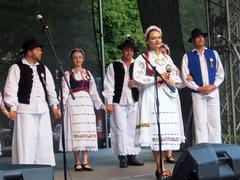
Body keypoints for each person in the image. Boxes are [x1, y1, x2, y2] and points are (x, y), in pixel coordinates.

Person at [133, 25, 185, 179]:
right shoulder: (142, 58)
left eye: (159, 37)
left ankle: (165, 165)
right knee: (156, 132)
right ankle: (160, 167)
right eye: (153, 38)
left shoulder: (166, 57)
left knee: (166, 131)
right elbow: (137, 78)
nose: (157, 40)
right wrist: (156, 78)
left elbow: (177, 77)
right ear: (147, 41)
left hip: (167, 97)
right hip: (152, 95)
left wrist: (170, 79)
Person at [4, 38, 61, 166]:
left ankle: (44, 170)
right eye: (38, 50)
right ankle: (26, 170)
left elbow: (50, 88)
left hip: (43, 109)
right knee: (26, 143)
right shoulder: (16, 68)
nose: (41, 52)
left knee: (44, 142)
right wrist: (13, 107)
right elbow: (10, 89)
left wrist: (54, 106)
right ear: (29, 52)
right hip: (25, 111)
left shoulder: (43, 68)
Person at [59, 48, 105, 171]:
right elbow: (64, 92)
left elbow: (94, 92)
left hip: (87, 105)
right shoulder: (68, 74)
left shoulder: (88, 74)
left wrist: (101, 105)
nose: (77, 59)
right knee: (77, 132)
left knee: (87, 131)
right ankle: (77, 161)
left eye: (80, 57)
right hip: (74, 105)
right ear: (72, 59)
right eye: (75, 57)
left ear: (83, 59)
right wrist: (61, 106)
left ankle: (85, 161)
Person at [102, 36, 144, 168]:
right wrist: (108, 102)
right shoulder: (114, 65)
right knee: (120, 128)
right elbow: (108, 85)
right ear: (122, 51)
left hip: (134, 100)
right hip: (118, 102)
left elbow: (144, 82)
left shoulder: (138, 64)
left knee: (132, 128)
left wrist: (136, 83)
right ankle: (122, 156)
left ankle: (132, 155)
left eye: (131, 51)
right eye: (126, 50)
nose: (129, 53)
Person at [181, 28, 225, 144]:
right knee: (200, 122)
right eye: (197, 37)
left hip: (212, 91)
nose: (200, 38)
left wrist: (214, 86)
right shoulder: (188, 56)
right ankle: (203, 149)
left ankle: (216, 148)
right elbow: (186, 77)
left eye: (202, 36)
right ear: (193, 40)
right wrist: (198, 88)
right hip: (198, 93)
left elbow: (220, 73)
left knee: (214, 121)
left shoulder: (212, 53)